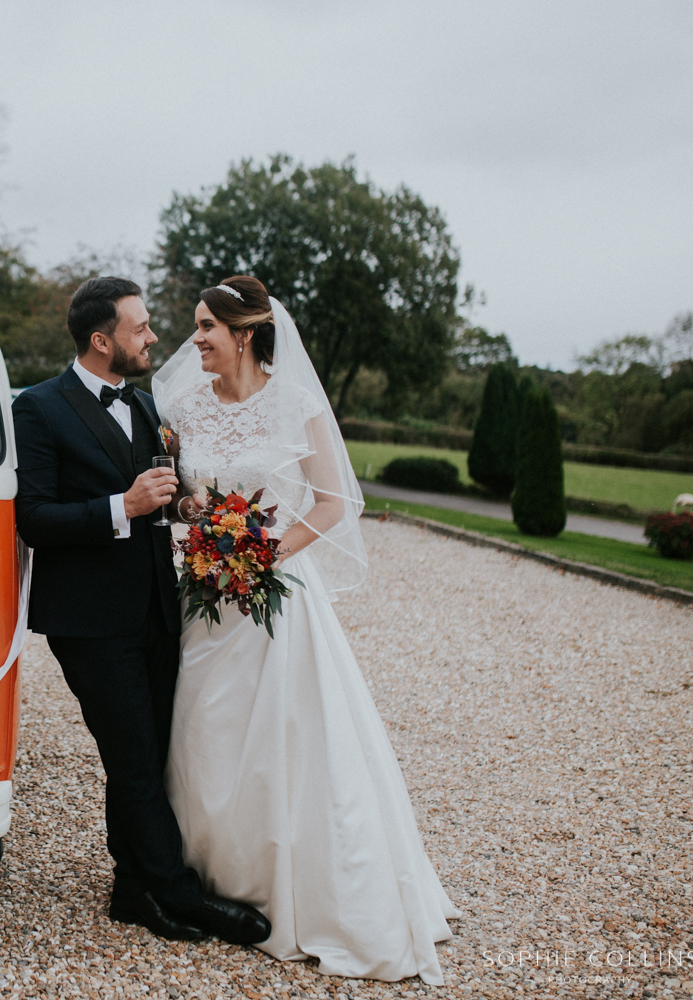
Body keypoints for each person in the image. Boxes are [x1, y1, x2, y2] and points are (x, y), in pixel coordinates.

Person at [154, 275, 460, 983]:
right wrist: (204, 526)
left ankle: (294, 888)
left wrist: (264, 554)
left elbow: (332, 501)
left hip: (274, 595)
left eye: (206, 327)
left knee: (286, 736)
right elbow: (186, 493)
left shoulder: (295, 405)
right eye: (195, 326)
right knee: (204, 723)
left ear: (246, 334)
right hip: (205, 594)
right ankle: (209, 875)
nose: (194, 338)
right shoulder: (183, 407)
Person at [12, 276, 271, 945]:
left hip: (159, 610)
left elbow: (164, 497)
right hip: (89, 621)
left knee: (150, 757)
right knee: (131, 760)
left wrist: (181, 508)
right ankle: (183, 894)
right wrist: (120, 507)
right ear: (102, 341)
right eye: (141, 328)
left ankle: (133, 890)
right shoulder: (40, 409)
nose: (155, 338)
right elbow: (34, 518)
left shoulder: (148, 403)